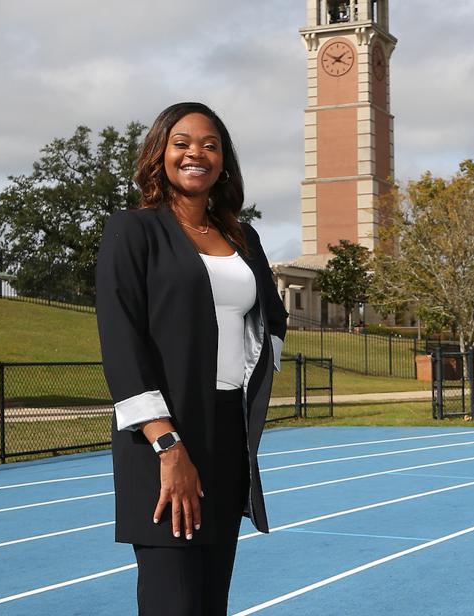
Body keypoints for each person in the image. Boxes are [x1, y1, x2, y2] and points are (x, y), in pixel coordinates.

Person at [95, 101, 288, 615]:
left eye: (210, 144)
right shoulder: (132, 231)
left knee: (209, 603)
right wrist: (168, 444)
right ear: (160, 154)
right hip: (163, 438)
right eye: (182, 143)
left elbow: (273, 319)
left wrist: (251, 388)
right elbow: (121, 343)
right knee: (173, 601)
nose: (196, 153)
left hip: (227, 436)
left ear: (223, 161)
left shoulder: (243, 238)